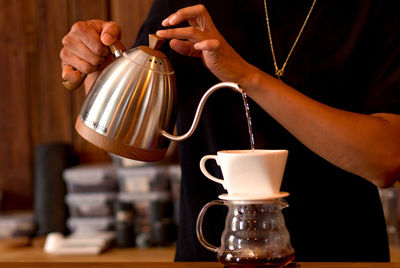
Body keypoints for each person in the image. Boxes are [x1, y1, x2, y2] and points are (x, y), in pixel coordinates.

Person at [60, 0, 400, 262]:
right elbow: (133, 144)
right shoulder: (183, 4)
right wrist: (101, 71)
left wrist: (245, 76)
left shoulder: (374, 9)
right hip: (212, 255)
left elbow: (386, 160)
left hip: (343, 256)